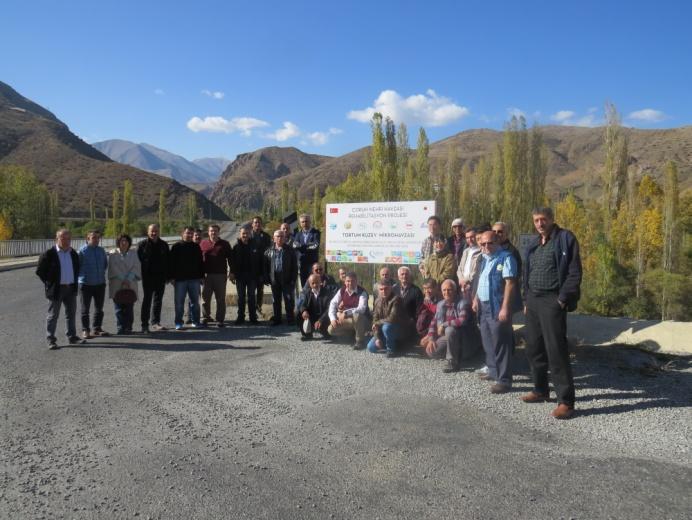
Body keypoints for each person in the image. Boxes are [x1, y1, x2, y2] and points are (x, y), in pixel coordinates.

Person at [522, 207, 582, 420]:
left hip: (552, 300)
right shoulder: (534, 244)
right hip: (533, 301)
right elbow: (527, 273)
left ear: (551, 219)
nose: (539, 223)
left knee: (556, 350)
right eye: (536, 220)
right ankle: (540, 389)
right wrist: (526, 298)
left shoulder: (565, 239)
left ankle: (566, 401)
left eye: (543, 219)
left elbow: (574, 272)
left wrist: (562, 299)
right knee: (533, 347)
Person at [473, 231, 518, 394]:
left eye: (490, 243)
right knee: (487, 340)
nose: (486, 246)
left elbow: (510, 284)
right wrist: (475, 299)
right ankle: (492, 370)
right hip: (483, 306)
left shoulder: (506, 257)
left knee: (501, 342)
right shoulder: (483, 259)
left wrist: (505, 307)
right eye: (483, 244)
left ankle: (504, 380)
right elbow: (481, 281)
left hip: (497, 306)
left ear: (497, 242)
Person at [36, 228, 84, 349]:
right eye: (63, 238)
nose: (66, 241)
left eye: (68, 238)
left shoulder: (73, 253)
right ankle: (50, 339)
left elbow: (77, 269)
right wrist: (49, 284)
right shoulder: (49, 254)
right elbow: (40, 271)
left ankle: (72, 337)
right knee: (53, 315)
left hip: (70, 288)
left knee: (71, 314)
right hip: (56, 290)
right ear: (56, 239)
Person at [423, 279, 473, 372]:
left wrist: (444, 324)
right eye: (444, 290)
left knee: (449, 329)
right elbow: (434, 322)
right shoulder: (440, 304)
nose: (447, 292)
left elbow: (462, 321)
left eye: (449, 289)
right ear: (441, 292)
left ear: (455, 290)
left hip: (464, 337)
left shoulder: (463, 303)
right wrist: (431, 338)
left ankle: (452, 362)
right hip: (449, 338)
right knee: (430, 352)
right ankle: (454, 352)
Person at [170, 226, 204, 330]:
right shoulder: (176, 247)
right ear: (182, 234)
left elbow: (200, 263)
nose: (189, 235)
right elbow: (171, 264)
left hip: (194, 279)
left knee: (195, 303)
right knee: (179, 303)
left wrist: (201, 276)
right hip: (180, 280)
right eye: (187, 233)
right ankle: (178, 322)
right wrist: (171, 277)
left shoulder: (196, 247)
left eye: (191, 233)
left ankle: (195, 321)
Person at [137, 223, 169, 333]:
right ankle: (144, 325)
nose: (154, 233)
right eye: (152, 231)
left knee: (158, 301)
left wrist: (168, 277)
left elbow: (167, 262)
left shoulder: (164, 245)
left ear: (159, 232)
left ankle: (155, 322)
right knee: (147, 301)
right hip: (147, 278)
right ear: (148, 232)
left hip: (160, 278)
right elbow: (138, 262)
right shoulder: (142, 245)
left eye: (156, 231)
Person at [108, 233, 142, 335]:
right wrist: (123, 279)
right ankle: (120, 327)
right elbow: (113, 268)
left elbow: (137, 266)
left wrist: (128, 279)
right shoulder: (113, 253)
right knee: (118, 307)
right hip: (117, 283)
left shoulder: (134, 253)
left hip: (130, 283)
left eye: (126, 241)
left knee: (129, 306)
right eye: (122, 240)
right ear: (118, 242)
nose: (124, 243)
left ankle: (128, 327)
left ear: (129, 243)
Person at [78, 229, 109, 339]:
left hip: (100, 283)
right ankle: (85, 330)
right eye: (93, 238)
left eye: (98, 238)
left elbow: (105, 265)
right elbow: (77, 266)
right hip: (85, 284)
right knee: (85, 309)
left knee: (99, 308)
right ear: (88, 239)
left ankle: (97, 328)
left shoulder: (101, 251)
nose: (96, 240)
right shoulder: (82, 251)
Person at [200, 224, 233, 327]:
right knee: (205, 298)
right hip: (206, 275)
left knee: (220, 299)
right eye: (211, 231)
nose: (213, 233)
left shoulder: (225, 244)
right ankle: (206, 317)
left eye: (215, 231)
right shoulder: (203, 243)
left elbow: (231, 259)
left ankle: (220, 319)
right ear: (208, 232)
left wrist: (232, 271)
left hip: (220, 275)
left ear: (219, 232)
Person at [327, 272, 370, 350]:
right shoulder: (342, 290)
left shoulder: (362, 292)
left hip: (363, 320)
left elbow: (361, 309)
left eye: (352, 281)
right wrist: (333, 319)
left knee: (357, 316)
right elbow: (333, 303)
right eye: (348, 281)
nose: (350, 283)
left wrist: (346, 313)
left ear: (356, 281)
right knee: (331, 330)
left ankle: (359, 341)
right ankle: (351, 335)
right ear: (345, 282)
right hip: (348, 319)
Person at [264, 229, 298, 325]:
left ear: (285, 238)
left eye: (282, 236)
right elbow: (265, 266)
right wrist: (267, 278)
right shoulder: (268, 251)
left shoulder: (290, 250)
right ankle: (277, 319)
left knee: (288, 300)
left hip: (287, 279)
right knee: (276, 300)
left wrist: (293, 280)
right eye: (277, 236)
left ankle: (290, 319)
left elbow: (294, 267)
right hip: (275, 279)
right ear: (274, 238)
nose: (280, 238)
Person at [230, 225, 262, 325]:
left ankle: (253, 317)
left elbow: (260, 261)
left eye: (247, 233)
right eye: (243, 233)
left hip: (252, 276)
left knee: (252, 297)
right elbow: (232, 262)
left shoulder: (255, 245)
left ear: (250, 234)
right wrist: (232, 273)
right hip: (240, 276)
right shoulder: (236, 246)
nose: (245, 235)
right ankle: (241, 317)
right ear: (240, 234)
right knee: (241, 297)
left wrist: (260, 274)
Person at [367, 278, 406, 357]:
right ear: (378, 290)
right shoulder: (377, 301)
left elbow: (392, 318)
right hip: (382, 330)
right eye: (381, 289)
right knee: (371, 347)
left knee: (386, 327)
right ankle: (393, 344)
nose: (383, 291)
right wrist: (377, 338)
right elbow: (374, 319)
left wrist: (377, 323)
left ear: (391, 288)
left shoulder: (396, 299)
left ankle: (391, 349)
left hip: (397, 330)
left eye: (386, 289)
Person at [392, 266, 423, 342]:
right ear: (399, 277)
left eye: (406, 274)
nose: (404, 276)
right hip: (395, 320)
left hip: (410, 322)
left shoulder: (416, 291)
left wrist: (413, 320)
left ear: (410, 276)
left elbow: (420, 309)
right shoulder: (393, 289)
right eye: (402, 274)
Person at [297, 274, 333, 341]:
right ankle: (307, 334)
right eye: (312, 283)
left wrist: (320, 320)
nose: (315, 285)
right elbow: (303, 305)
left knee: (326, 334)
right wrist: (304, 311)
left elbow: (329, 309)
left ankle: (326, 333)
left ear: (320, 282)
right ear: (310, 284)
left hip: (324, 318)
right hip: (312, 317)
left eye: (316, 282)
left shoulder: (327, 292)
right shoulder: (307, 293)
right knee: (299, 314)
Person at [292, 214, 321, 288]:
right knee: (304, 285)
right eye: (302, 222)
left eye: (306, 221)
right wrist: (308, 246)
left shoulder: (316, 233)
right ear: (300, 223)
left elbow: (315, 246)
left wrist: (301, 246)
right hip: (302, 263)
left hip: (312, 263)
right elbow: (294, 246)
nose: (305, 223)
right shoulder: (298, 234)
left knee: (313, 284)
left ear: (310, 221)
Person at [250, 216, 272, 314]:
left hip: (262, 268)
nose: (257, 224)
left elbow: (270, 252)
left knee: (260, 289)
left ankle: (258, 308)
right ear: (252, 224)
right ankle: (251, 310)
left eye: (259, 222)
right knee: (251, 291)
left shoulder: (266, 237)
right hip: (251, 268)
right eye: (255, 222)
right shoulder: (248, 236)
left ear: (261, 224)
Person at [456, 227, 482, 300]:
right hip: (462, 286)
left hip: (473, 286)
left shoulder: (481, 251)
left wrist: (466, 280)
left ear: (476, 236)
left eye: (472, 237)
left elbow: (477, 271)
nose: (469, 240)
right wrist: (461, 279)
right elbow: (460, 268)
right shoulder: (466, 251)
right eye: (467, 237)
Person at [416, 279, 439, 343]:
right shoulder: (421, 300)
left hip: (434, 332)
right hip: (421, 332)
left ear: (436, 288)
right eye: (425, 288)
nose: (427, 291)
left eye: (429, 288)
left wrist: (429, 336)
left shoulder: (440, 302)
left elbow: (438, 322)